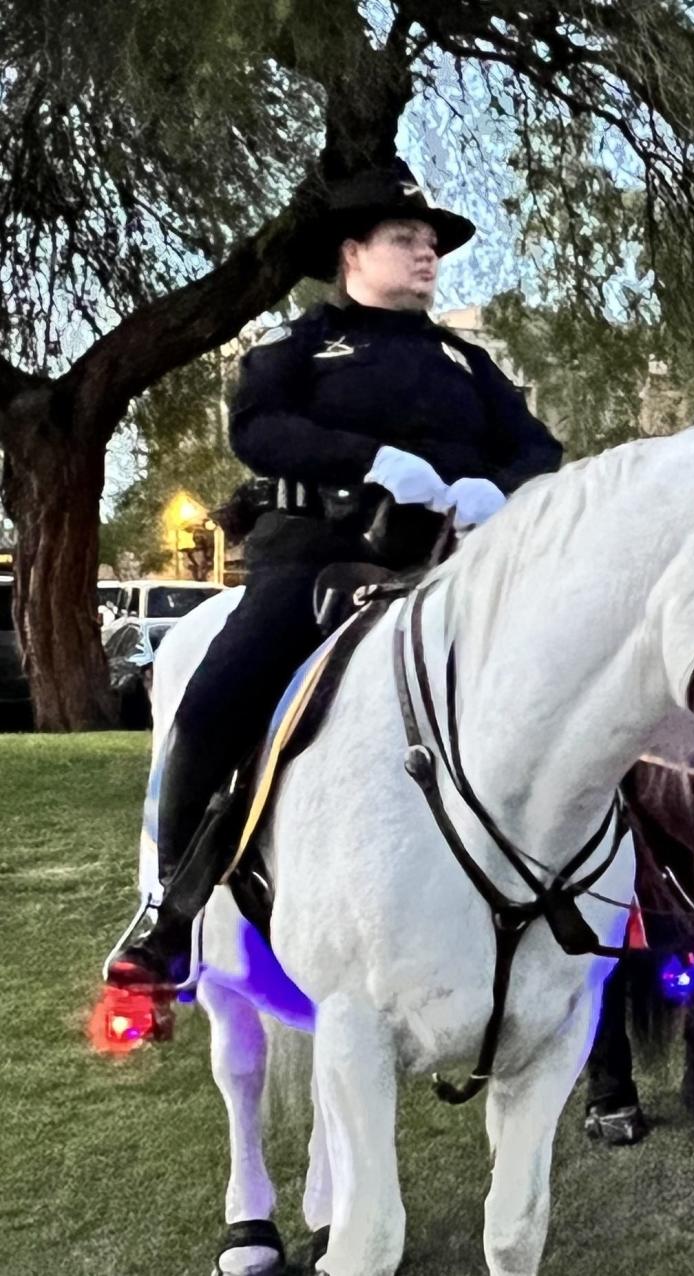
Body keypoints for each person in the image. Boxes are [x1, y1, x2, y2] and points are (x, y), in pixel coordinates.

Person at [106, 159, 562, 992]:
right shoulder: (303, 344)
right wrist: (371, 460)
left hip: (451, 565)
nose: (427, 255)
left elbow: (538, 447)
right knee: (214, 703)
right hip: (316, 557)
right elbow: (258, 431)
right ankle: (169, 914)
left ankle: (607, 895)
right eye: (406, 240)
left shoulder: (467, 364)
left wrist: (497, 487)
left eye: (431, 243)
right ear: (354, 251)